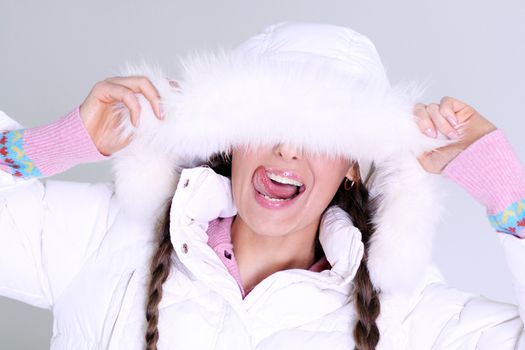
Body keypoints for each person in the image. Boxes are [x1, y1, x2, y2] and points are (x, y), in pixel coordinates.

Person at [1, 21, 524, 350]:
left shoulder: (410, 314)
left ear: (353, 167)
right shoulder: (103, 237)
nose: (288, 149)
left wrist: (507, 192)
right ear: (231, 138)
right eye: (268, 121)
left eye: (322, 134)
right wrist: (56, 143)